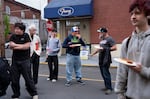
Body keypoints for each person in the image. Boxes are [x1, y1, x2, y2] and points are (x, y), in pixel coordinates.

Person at [114, 0, 150, 99]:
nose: (133, 17)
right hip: (129, 96)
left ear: (148, 15)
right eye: (132, 14)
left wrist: (142, 70)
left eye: (137, 13)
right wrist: (120, 94)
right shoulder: (127, 42)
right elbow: (122, 71)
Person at [9, 22, 38, 99]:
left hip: (25, 61)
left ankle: (34, 94)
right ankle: (16, 95)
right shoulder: (13, 36)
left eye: (18, 29)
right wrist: (21, 46)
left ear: (22, 30)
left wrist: (17, 46)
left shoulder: (26, 36)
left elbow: (26, 46)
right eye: (15, 29)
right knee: (14, 79)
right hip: (15, 61)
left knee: (28, 79)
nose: (16, 30)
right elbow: (11, 45)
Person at [91, 27, 117, 94]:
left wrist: (106, 49)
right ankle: (106, 86)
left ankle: (109, 88)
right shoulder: (102, 39)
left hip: (106, 58)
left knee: (106, 73)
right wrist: (93, 53)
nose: (99, 33)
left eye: (100, 32)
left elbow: (115, 47)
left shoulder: (110, 39)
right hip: (101, 58)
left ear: (104, 32)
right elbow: (100, 48)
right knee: (102, 73)